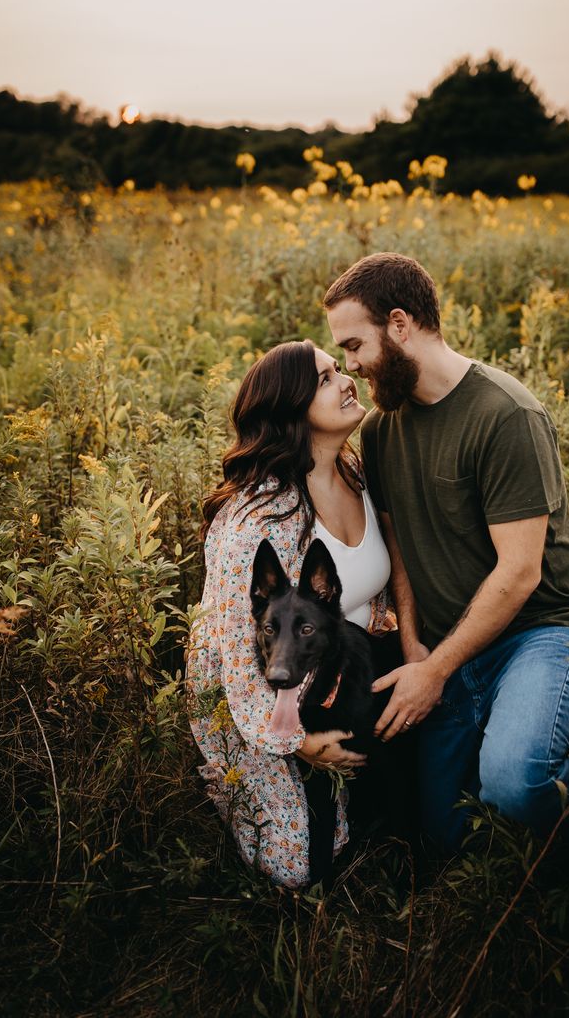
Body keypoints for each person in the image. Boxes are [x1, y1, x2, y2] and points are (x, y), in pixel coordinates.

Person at [323, 252, 569, 853]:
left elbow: (521, 573)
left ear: (399, 325)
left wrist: (434, 671)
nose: (350, 367)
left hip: (538, 634)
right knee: (443, 841)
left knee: (512, 783)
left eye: (353, 345)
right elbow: (399, 543)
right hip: (447, 645)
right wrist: (417, 644)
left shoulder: (506, 415)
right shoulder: (381, 429)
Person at [186, 339, 395, 888]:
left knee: (392, 813)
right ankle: (239, 786)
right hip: (250, 693)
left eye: (337, 368)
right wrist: (296, 742)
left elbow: (366, 589)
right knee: (299, 863)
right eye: (326, 379)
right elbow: (233, 647)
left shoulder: (354, 473)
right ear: (291, 412)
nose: (347, 379)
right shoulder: (257, 515)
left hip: (334, 667)